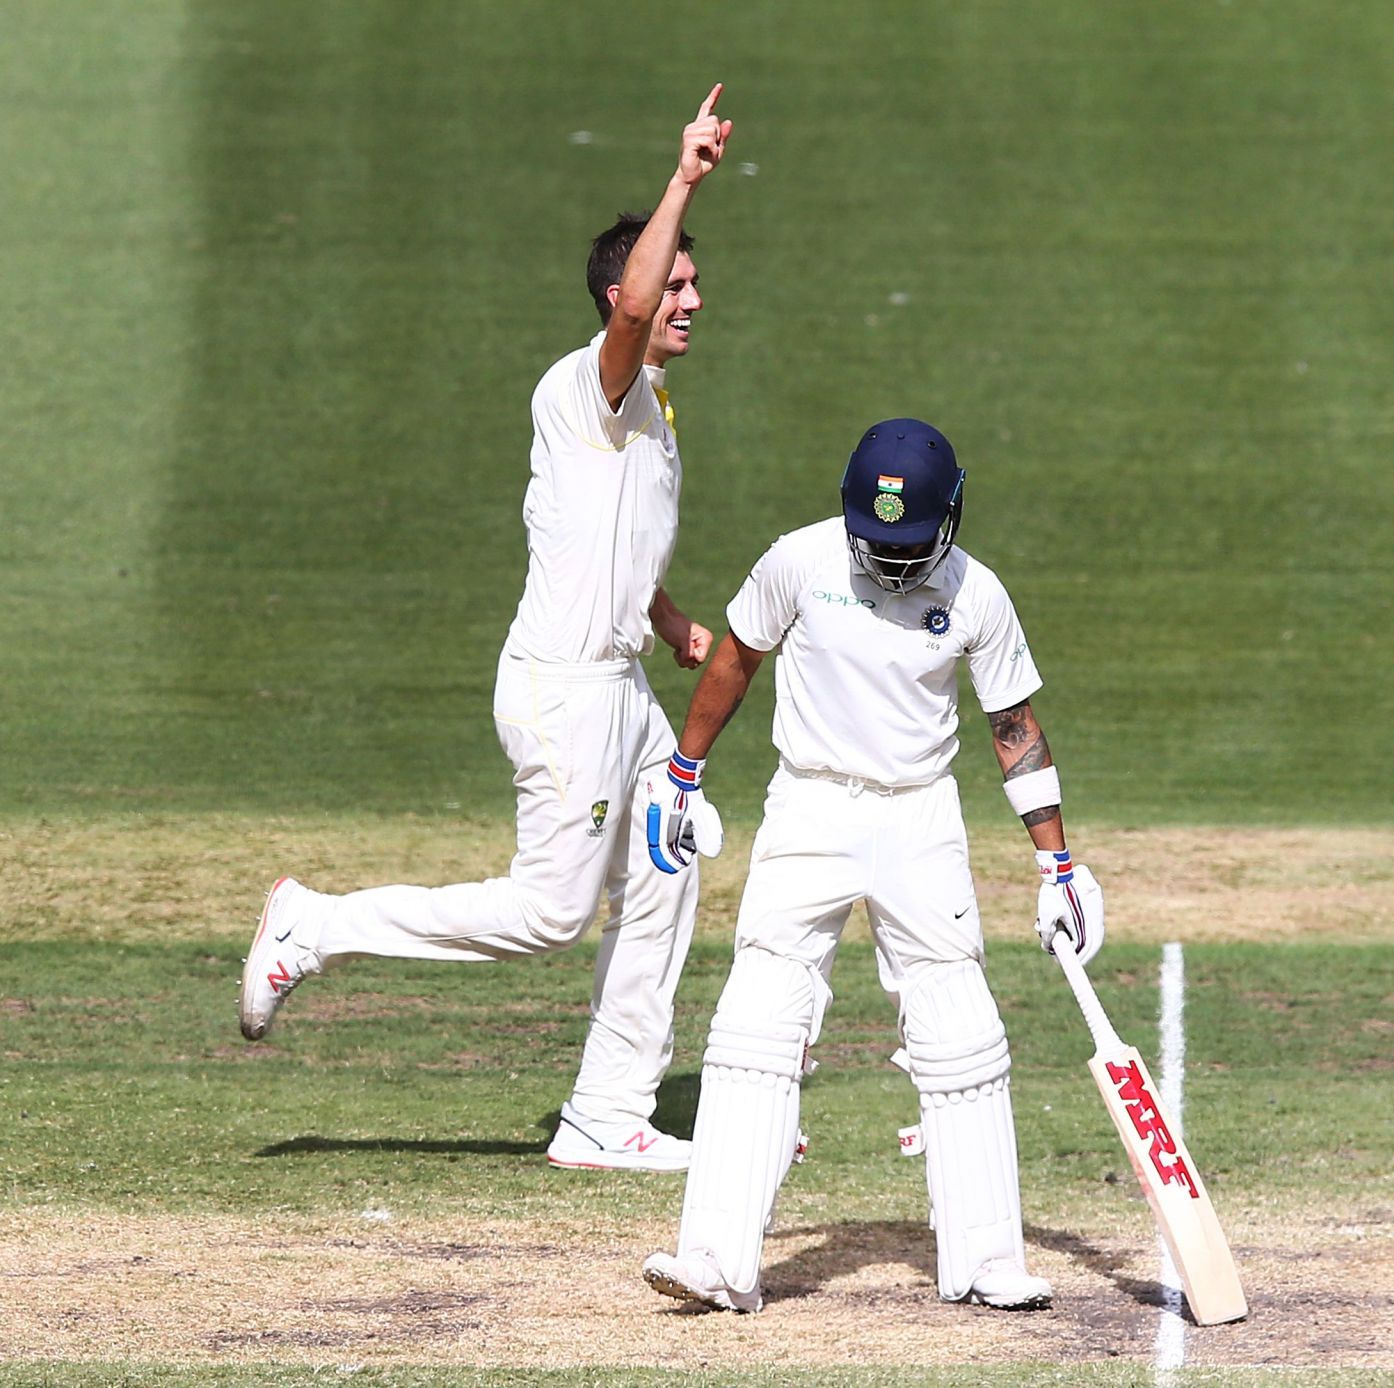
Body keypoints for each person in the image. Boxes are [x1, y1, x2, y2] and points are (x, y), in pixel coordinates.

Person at [238, 86, 736, 1175]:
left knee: (671, 855)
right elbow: (630, 310)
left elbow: (610, 538)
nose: (693, 299)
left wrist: (667, 616)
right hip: (563, 692)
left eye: (696, 282)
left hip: (625, 692)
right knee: (553, 915)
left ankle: (609, 1109)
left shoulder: (651, 408)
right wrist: (684, 176)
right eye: (677, 284)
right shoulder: (592, 382)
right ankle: (310, 924)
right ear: (626, 296)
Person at [636, 418, 1106, 1312]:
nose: (893, 566)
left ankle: (984, 1261)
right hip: (809, 804)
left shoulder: (979, 595)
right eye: (879, 546)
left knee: (960, 1027)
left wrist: (1058, 865)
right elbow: (735, 658)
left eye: (910, 547)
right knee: (757, 1019)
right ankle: (717, 1261)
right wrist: (683, 773)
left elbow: (1014, 727)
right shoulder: (799, 562)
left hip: (919, 817)